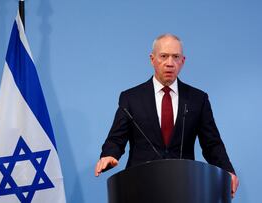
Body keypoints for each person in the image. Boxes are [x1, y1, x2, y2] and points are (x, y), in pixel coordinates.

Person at [94, 34, 239, 198]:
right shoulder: (131, 98)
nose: (170, 63)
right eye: (164, 56)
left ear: (183, 61)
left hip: (184, 188)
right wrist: (109, 155)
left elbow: (212, 144)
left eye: (175, 57)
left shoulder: (198, 99)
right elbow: (116, 139)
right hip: (139, 187)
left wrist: (227, 170)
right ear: (152, 59)